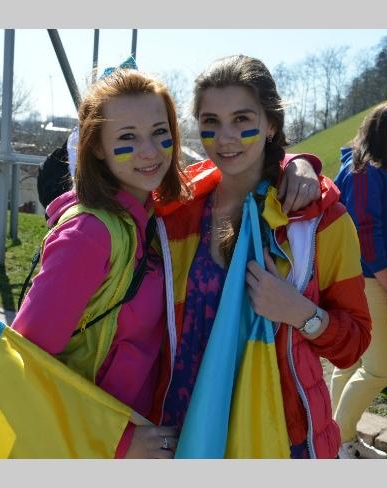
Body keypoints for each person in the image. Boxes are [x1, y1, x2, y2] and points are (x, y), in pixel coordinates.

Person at [157, 55, 372, 459]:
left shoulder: (320, 222)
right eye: (211, 121)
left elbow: (353, 344)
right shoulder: (176, 214)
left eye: (242, 119)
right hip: (186, 426)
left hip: (284, 437)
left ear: (271, 124)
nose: (225, 138)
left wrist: (301, 314)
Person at [11, 69, 187, 458]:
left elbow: (236, 170)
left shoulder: (149, 218)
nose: (150, 151)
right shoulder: (88, 235)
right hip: (88, 450)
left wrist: (297, 164)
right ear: (96, 147)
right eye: (127, 137)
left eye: (160, 132)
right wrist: (118, 443)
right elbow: (25, 363)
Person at [330, 101, 387, 459]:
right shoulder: (365, 172)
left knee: (351, 363)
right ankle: (340, 441)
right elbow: (367, 238)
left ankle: (334, 438)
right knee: (382, 368)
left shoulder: (381, 170)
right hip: (371, 281)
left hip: (367, 279)